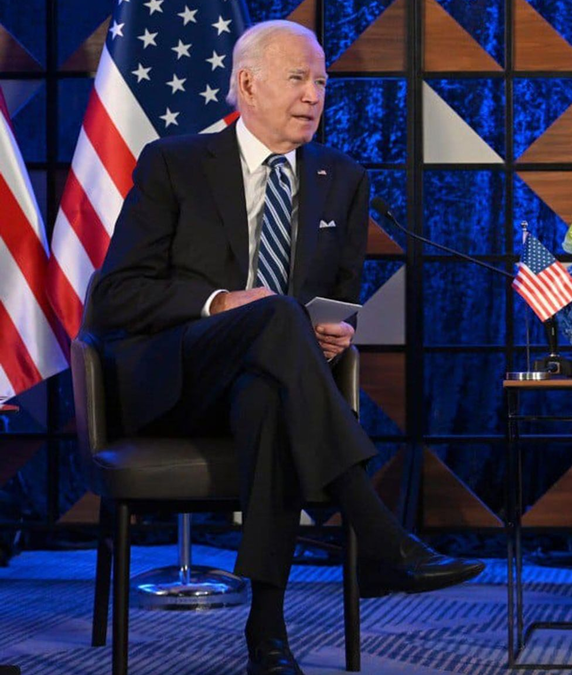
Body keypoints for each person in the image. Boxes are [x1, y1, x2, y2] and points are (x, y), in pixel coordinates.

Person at [87, 20, 484, 675]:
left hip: (276, 381)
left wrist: (335, 331)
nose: (314, 94)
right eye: (298, 78)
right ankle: (379, 534)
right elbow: (114, 297)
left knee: (268, 394)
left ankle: (266, 636)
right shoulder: (174, 163)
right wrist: (219, 302)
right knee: (271, 315)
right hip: (178, 380)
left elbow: (338, 299)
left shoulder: (342, 178)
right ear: (247, 84)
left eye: (322, 80)